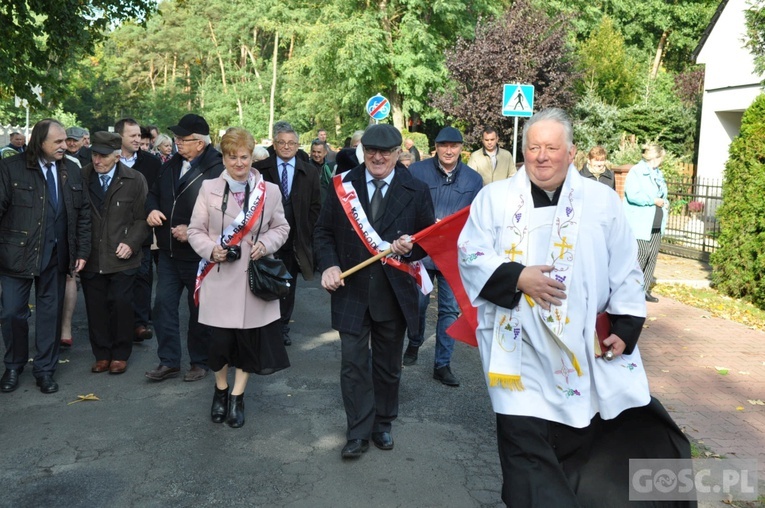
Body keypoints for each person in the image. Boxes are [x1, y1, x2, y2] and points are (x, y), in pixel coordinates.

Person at [457, 109, 691, 506]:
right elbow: (470, 252)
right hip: (521, 356)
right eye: (534, 147)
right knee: (527, 461)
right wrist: (516, 277)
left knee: (600, 448)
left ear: (571, 152)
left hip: (583, 349)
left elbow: (625, 264)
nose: (542, 156)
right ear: (524, 150)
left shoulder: (600, 201)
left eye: (552, 147)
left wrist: (627, 321)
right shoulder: (495, 199)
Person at [314, 124, 435, 459]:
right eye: (371, 151)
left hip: (393, 293)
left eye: (386, 152)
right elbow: (322, 232)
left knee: (387, 365)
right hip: (351, 290)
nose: (378, 157)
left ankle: (382, 423)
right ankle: (357, 431)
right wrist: (328, 265)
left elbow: (425, 241)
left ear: (399, 153)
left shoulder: (416, 189)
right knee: (353, 364)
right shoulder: (343, 186)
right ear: (361, 152)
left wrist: (409, 248)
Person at [188, 127, 291, 428]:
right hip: (218, 276)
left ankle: (237, 397)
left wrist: (266, 244)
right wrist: (212, 250)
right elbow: (195, 230)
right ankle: (220, 389)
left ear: (252, 157)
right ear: (223, 158)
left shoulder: (269, 191)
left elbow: (281, 228)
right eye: (232, 157)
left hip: (252, 280)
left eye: (244, 157)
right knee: (219, 345)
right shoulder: (208, 188)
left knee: (248, 343)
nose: (239, 163)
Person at [0, 119, 91, 394]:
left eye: (66, 141)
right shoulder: (10, 168)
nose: (65, 146)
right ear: (41, 143)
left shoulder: (71, 172)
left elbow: (83, 214)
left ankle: (45, 370)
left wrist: (82, 251)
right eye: (59, 142)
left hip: (57, 255)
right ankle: (13, 366)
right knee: (12, 313)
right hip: (16, 256)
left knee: (50, 316)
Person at [145, 113, 224, 382]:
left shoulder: (218, 169)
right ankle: (168, 361)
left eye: (183, 138)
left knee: (199, 309)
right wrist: (152, 209)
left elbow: (225, 214)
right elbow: (153, 193)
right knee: (163, 306)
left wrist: (191, 231)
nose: (177, 142)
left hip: (199, 255)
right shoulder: (169, 164)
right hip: (168, 252)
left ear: (200, 143)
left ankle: (199, 361)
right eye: (176, 138)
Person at [405, 126, 482, 387]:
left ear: (461, 148)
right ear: (435, 147)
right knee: (418, 304)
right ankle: (414, 342)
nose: (449, 150)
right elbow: (406, 207)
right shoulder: (417, 172)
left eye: (454, 145)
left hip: (452, 256)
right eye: (443, 145)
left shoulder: (473, 180)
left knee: (448, 309)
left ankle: (442, 364)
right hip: (422, 254)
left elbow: (476, 219)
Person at [80, 132, 149, 374]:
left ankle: (120, 354)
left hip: (123, 258)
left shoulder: (135, 179)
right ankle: (102, 354)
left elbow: (143, 218)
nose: (97, 160)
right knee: (95, 307)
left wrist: (131, 242)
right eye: (94, 154)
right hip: (91, 256)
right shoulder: (82, 176)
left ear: (117, 156)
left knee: (121, 305)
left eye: (103, 156)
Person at [254, 122, 321, 346]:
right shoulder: (260, 169)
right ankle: (262, 326)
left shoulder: (309, 171)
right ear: (274, 144)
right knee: (262, 281)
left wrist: (306, 231)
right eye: (281, 142)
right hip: (264, 238)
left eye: (291, 143)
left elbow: (315, 206)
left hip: (294, 241)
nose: (286, 146)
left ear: (297, 145)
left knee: (287, 285)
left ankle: (282, 327)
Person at [116, 118, 162, 342]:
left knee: (142, 276)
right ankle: (120, 325)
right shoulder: (108, 160)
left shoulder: (152, 163)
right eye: (132, 136)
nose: (138, 140)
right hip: (112, 231)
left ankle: (140, 324)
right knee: (117, 282)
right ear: (119, 138)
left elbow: (158, 193)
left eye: (139, 136)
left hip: (142, 229)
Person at [623, 144, 669, 303]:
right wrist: (653, 200)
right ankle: (629, 290)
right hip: (640, 221)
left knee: (652, 256)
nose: (661, 161)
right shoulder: (636, 171)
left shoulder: (658, 174)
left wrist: (665, 203)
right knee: (641, 255)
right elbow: (632, 195)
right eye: (660, 157)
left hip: (656, 221)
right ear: (654, 157)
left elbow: (663, 195)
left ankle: (644, 290)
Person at [309, 138, 334, 205]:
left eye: (319, 152)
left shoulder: (330, 167)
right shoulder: (306, 166)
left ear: (325, 153)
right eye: (314, 151)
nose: (316, 154)